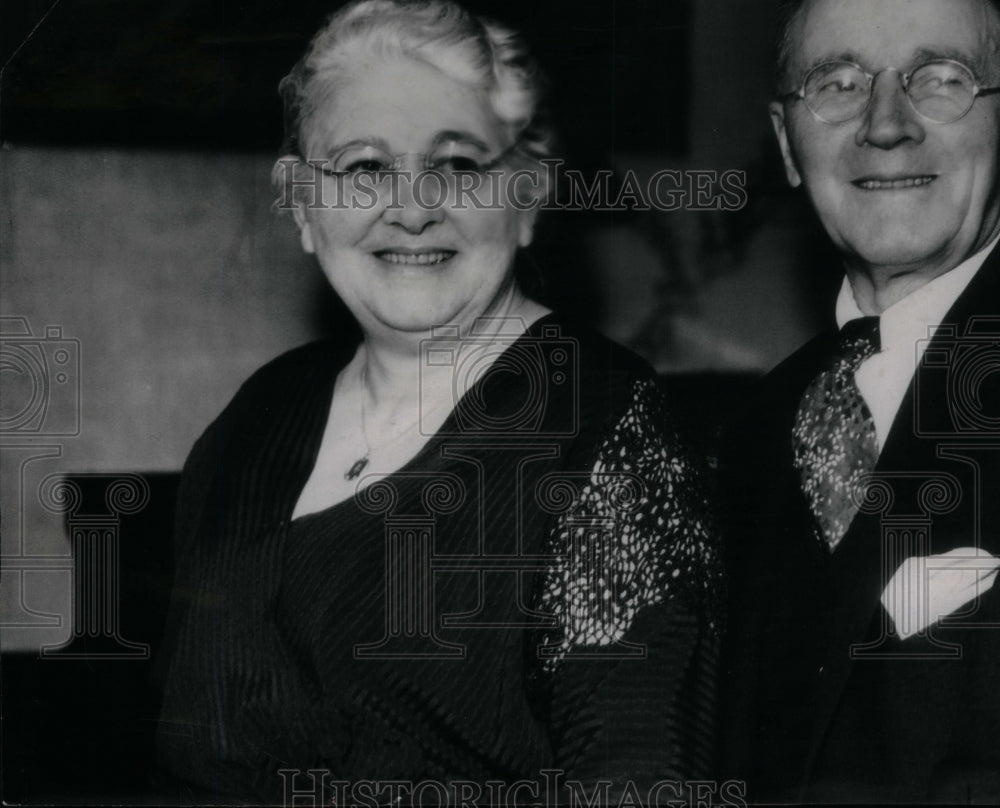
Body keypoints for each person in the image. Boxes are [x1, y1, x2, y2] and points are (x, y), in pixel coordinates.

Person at [153, 1, 721, 802]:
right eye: (363, 168)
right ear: (303, 206)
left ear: (527, 196)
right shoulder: (260, 414)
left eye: (458, 165)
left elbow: (637, 777)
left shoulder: (605, 427)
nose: (413, 207)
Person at [722, 0, 1000, 803]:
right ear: (785, 144)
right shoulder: (745, 439)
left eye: (942, 78)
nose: (885, 124)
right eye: (837, 83)